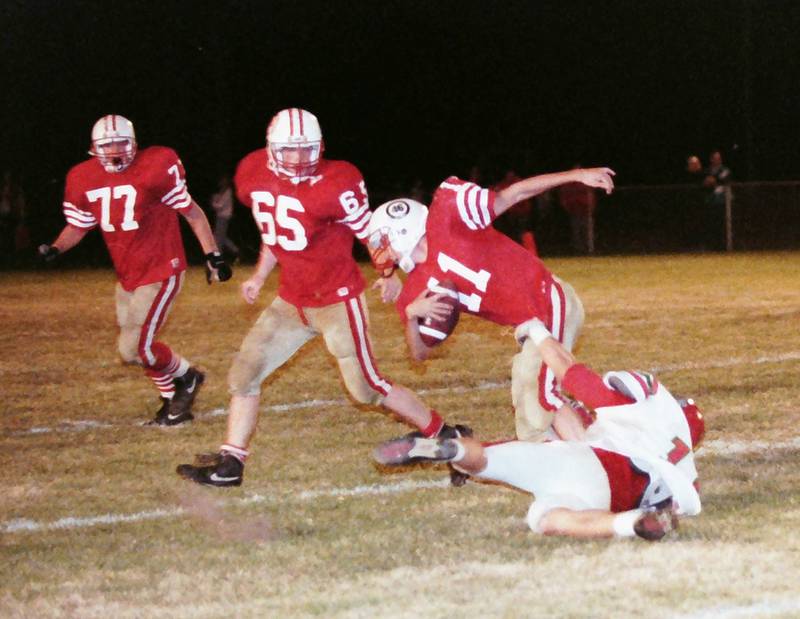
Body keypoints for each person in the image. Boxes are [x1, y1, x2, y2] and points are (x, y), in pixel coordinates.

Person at [176, 108, 468, 488]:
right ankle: (231, 463)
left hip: (336, 301)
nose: (298, 160)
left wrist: (387, 272)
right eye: (289, 151)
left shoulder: (337, 181)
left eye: (306, 150)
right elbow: (275, 231)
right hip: (290, 302)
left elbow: (370, 231)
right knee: (244, 374)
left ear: (320, 148)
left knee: (366, 389)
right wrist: (261, 275)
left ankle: (446, 433)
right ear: (270, 149)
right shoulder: (253, 173)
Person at [375, 320, 705, 541]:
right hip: (607, 498)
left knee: (488, 460)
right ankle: (629, 524)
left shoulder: (647, 408)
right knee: (548, 518)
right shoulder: (685, 476)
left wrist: (538, 332)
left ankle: (456, 450)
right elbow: (683, 502)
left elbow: (573, 376)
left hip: (585, 461)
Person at [367, 166, 615, 442]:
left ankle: (603, 462)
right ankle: (585, 431)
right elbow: (419, 354)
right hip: (529, 326)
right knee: (530, 422)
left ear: (402, 231)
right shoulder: (415, 290)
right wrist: (413, 316)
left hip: (549, 299)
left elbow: (514, 194)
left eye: (383, 241)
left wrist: (575, 176)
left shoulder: (448, 213)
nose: (381, 252)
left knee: (543, 398)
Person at [38, 114, 232, 425]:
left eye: (120, 143)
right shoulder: (82, 177)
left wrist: (213, 255)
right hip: (127, 275)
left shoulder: (156, 165)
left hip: (161, 269)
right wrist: (57, 247)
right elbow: (78, 225)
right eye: (107, 145)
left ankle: (187, 376)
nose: (114, 151)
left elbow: (193, 213)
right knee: (141, 346)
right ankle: (173, 399)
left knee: (132, 347)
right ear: (93, 148)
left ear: (134, 144)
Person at [493, 170, 537, 254]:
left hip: (522, 213)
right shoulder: (504, 185)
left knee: (524, 232)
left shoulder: (519, 184)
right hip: (510, 214)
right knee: (513, 233)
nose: (510, 177)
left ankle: (530, 251)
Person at [557, 165, 597, 255]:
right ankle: (578, 249)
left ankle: (589, 249)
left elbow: (591, 196)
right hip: (574, 210)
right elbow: (564, 197)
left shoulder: (585, 182)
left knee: (587, 231)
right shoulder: (567, 184)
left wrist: (591, 207)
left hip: (585, 210)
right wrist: (567, 207)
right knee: (576, 231)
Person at [210, 174, 240, 262]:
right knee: (221, 236)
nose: (221, 183)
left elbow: (220, 205)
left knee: (219, 237)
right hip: (220, 216)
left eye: (223, 181)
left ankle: (219, 256)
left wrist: (213, 203)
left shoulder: (228, 192)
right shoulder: (222, 191)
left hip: (224, 216)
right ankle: (236, 251)